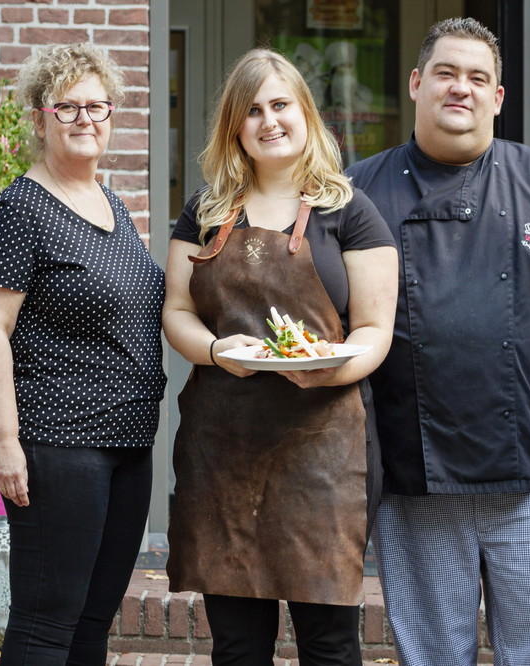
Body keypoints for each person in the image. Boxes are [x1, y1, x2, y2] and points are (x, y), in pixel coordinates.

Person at [345, 17, 530, 666]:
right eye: (446, 73)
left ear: (498, 98)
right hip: (413, 479)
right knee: (432, 659)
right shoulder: (359, 193)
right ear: (418, 84)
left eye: (478, 78)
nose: (461, 89)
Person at [162, 48, 397, 665]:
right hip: (223, 448)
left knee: (329, 645)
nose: (269, 121)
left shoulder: (350, 211)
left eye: (281, 105)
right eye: (253, 110)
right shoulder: (206, 210)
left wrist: (330, 361)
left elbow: (375, 330)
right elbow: (177, 313)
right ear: (235, 126)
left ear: (305, 114)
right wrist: (215, 350)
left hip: (323, 453)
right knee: (237, 646)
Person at [0, 43, 166, 665]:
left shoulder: (112, 204)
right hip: (57, 442)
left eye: (98, 106)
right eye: (68, 107)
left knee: (92, 621)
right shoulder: (19, 210)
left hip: (127, 444)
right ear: (39, 117)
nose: (86, 119)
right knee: (45, 623)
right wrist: (4, 441)